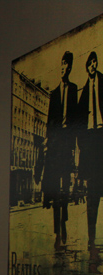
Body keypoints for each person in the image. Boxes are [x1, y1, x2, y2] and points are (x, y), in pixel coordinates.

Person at [43, 51, 79, 251]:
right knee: (57, 191)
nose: (64, 67)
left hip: (67, 146)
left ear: (70, 67)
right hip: (55, 149)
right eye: (62, 63)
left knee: (64, 190)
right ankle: (58, 232)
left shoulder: (73, 90)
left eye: (67, 64)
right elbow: (50, 122)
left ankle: (63, 224)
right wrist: (48, 143)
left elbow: (75, 120)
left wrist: (73, 146)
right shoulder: (54, 94)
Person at [79, 51, 103, 261]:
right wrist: (83, 146)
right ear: (87, 66)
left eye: (95, 62)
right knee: (92, 195)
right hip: (90, 143)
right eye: (90, 63)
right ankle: (92, 238)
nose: (92, 65)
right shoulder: (84, 90)